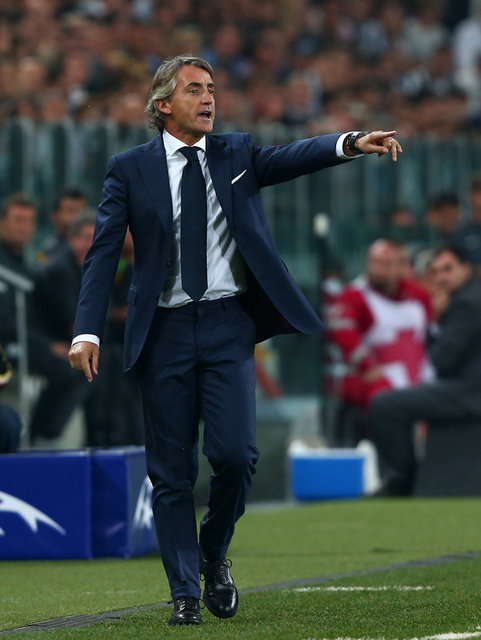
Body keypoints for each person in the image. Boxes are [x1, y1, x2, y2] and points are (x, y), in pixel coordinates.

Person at [68, 54, 401, 626]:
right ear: (163, 104)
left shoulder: (235, 152)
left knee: (235, 456)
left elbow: (291, 157)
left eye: (212, 89)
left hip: (227, 326)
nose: (208, 99)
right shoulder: (129, 169)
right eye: (194, 89)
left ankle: (213, 551)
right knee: (171, 472)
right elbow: (102, 254)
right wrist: (86, 330)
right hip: (164, 331)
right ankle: (184, 593)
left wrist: (348, 143)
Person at [369, 244, 481, 496]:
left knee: (385, 405)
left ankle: (401, 480)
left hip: (470, 394)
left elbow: (442, 362)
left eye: (447, 269)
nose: (441, 278)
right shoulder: (470, 298)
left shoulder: (467, 303)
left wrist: (435, 320)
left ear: (466, 269)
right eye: (435, 271)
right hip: (467, 389)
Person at [327, 239, 433, 418]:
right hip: (378, 377)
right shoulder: (355, 296)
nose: (379, 269)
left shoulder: (418, 295)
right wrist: (367, 366)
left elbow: (430, 334)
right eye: (375, 262)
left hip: (420, 374)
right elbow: (345, 338)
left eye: (386, 264)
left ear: (400, 266)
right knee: (385, 403)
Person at [37, 187, 87, 263]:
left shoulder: (94, 247)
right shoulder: (47, 252)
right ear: (55, 215)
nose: (77, 216)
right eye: (70, 210)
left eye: (81, 211)